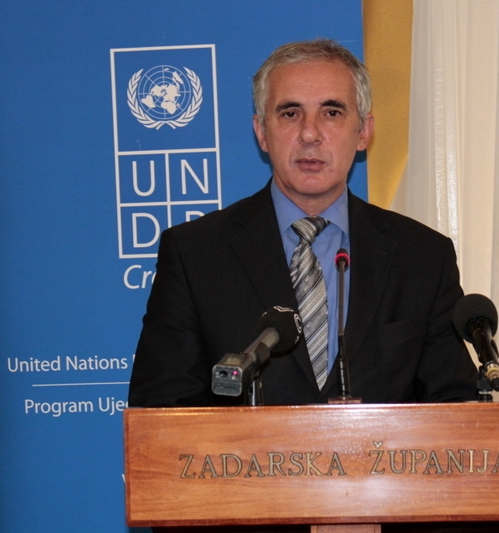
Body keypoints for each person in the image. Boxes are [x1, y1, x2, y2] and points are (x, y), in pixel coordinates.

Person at [127, 38, 478, 408]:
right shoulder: (195, 254)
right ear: (262, 132)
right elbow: (160, 410)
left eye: (332, 112)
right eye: (290, 113)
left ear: (363, 131)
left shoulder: (423, 257)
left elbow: (455, 404)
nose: (310, 134)